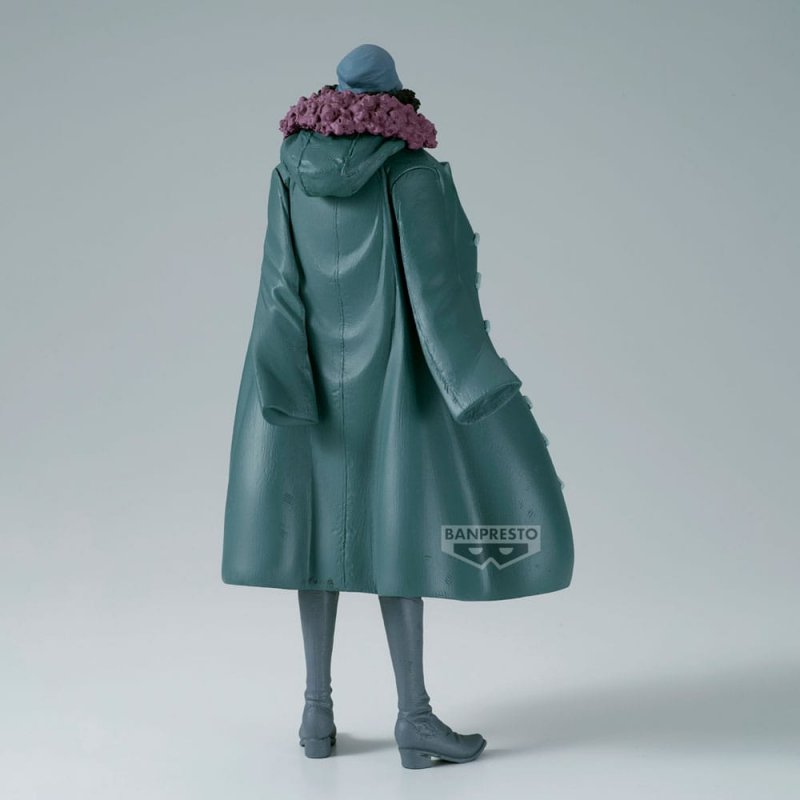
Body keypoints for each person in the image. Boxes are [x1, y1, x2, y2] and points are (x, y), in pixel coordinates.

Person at [222, 43, 574, 769]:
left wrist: (280, 382)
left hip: (306, 383)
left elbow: (277, 284)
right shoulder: (412, 173)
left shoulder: (289, 168)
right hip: (392, 386)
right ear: (397, 99)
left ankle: (316, 716)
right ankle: (413, 718)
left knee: (315, 545)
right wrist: (478, 383)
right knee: (399, 543)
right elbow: (440, 296)